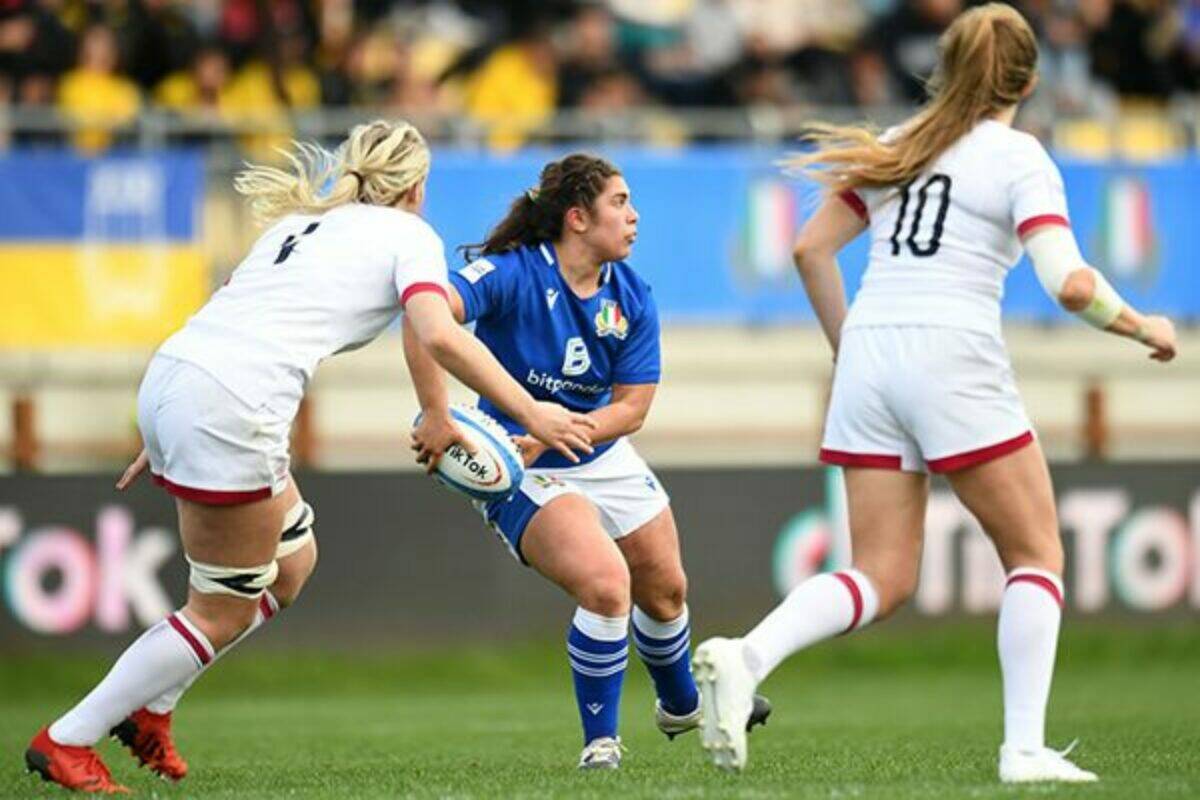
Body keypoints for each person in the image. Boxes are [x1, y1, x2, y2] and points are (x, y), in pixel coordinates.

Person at [24, 119, 596, 794]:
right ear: (415, 185)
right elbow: (440, 333)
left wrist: (168, 422)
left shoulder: (298, 227)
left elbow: (248, 310)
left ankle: (154, 706)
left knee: (292, 564)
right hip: (230, 403)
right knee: (220, 611)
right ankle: (67, 739)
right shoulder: (409, 234)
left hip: (178, 376)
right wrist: (530, 411)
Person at [692, 3, 1177, 783]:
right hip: (951, 350)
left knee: (881, 577)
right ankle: (1022, 749)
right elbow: (1069, 283)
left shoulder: (898, 144)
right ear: (1029, 77)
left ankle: (747, 656)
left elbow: (810, 248)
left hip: (872, 351)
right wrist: (1141, 323)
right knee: (1037, 554)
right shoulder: (1019, 158)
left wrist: (851, 351)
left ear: (947, 68)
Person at [406, 153, 769, 770]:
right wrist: (437, 414)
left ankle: (681, 704)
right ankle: (600, 744)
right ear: (577, 218)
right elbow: (424, 318)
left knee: (667, 589)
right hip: (521, 464)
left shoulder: (631, 294)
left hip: (595, 451)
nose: (634, 217)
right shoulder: (511, 275)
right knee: (606, 587)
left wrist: (565, 430)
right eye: (620, 203)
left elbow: (633, 407)